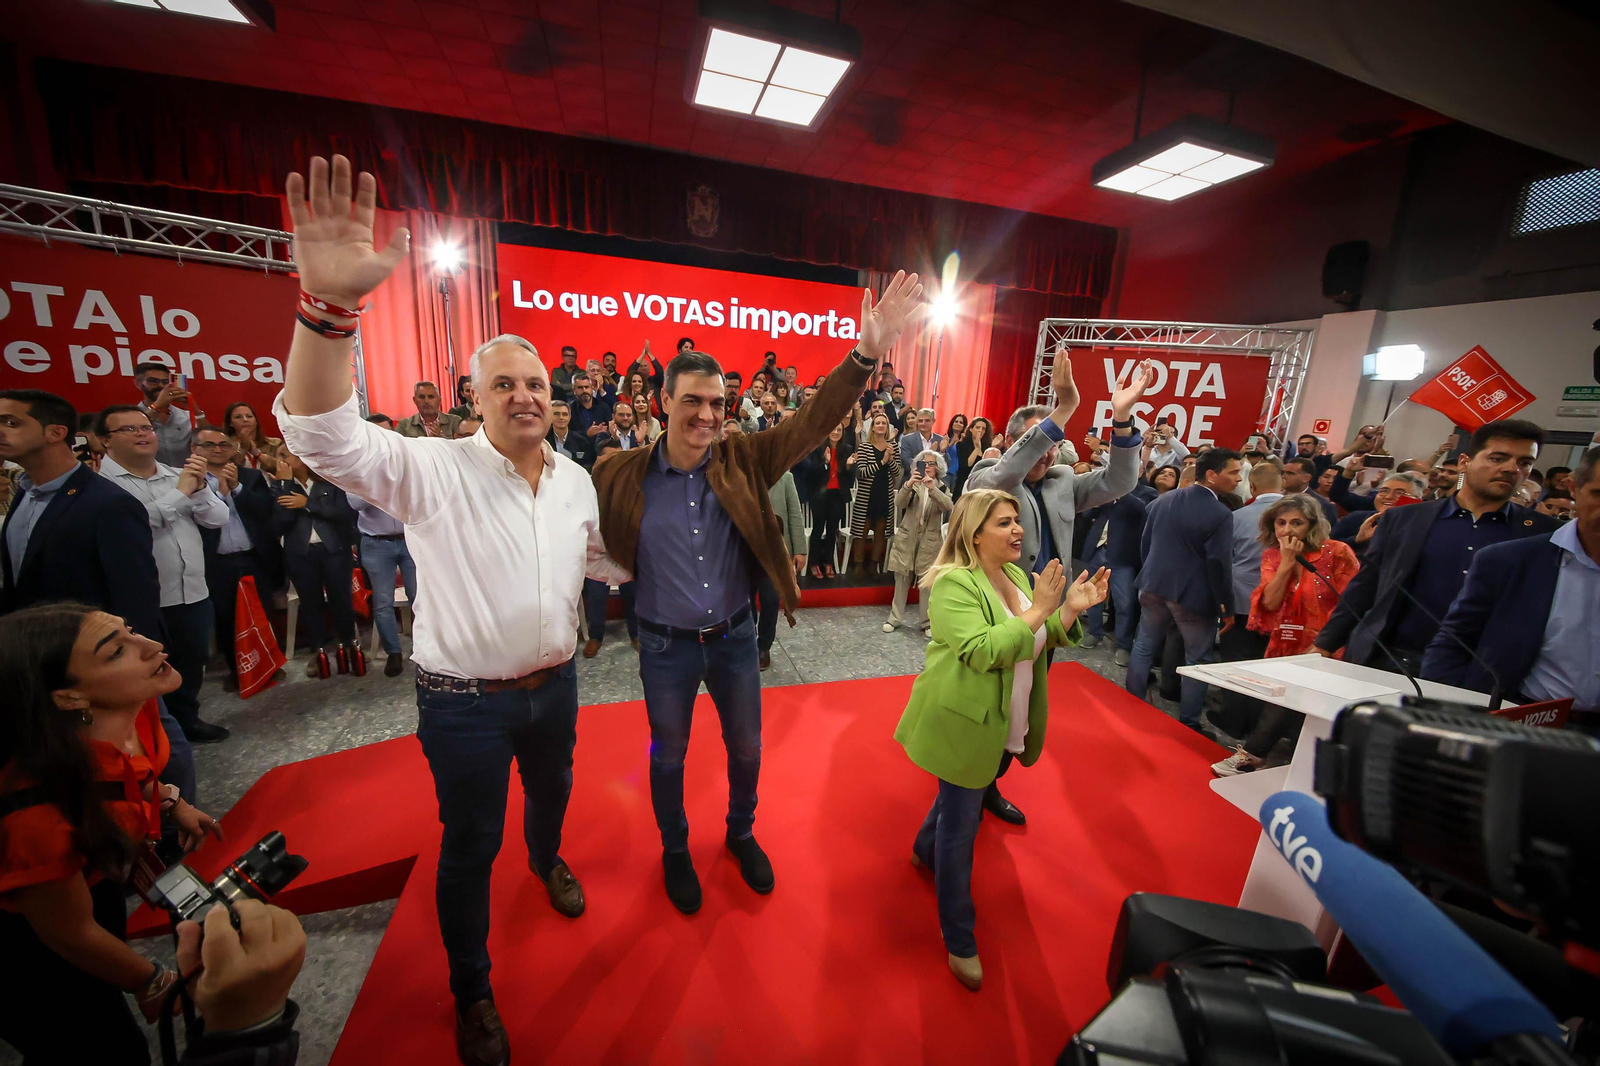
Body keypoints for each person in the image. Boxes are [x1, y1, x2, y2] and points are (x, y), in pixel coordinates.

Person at [275, 155, 632, 1065]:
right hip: (462, 704)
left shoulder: (577, 479)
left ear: (557, 400)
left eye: (537, 385)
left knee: (552, 797)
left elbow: (601, 562)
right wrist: (327, 311)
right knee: (469, 841)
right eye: (504, 383)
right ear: (474, 398)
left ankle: (547, 857)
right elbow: (321, 435)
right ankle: (471, 990)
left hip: (557, 690)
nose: (524, 395)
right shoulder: (429, 468)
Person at [589, 269, 924, 916]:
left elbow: (813, 422)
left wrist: (867, 354)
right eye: (694, 401)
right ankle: (676, 849)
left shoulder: (745, 458)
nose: (709, 415)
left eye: (718, 402)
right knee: (670, 755)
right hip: (664, 647)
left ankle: (740, 834)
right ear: (663, 401)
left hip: (736, 639)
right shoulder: (617, 473)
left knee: (747, 746)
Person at [892, 490, 1107, 991]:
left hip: (1007, 717)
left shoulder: (1012, 574)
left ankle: (923, 848)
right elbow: (984, 650)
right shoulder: (951, 584)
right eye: (1005, 522)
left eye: (1016, 521)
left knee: (962, 791)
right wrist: (1042, 610)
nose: (1018, 530)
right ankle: (959, 937)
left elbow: (1040, 634)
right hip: (967, 721)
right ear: (973, 532)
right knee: (961, 831)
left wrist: (1068, 611)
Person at [0, 603, 223, 1063]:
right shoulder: (35, 817)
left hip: (93, 888)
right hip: (30, 950)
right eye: (117, 651)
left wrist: (171, 802)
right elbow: (71, 933)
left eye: (133, 631)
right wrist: (152, 980)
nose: (153, 647)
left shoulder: (129, 713)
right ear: (68, 697)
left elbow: (128, 772)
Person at [965, 348, 1151, 815]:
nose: (1050, 452)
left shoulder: (1063, 478)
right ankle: (964, 783)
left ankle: (989, 785)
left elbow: (1123, 481)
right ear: (1012, 441)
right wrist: (1062, 410)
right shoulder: (987, 477)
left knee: (1022, 708)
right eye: (1039, 441)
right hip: (995, 613)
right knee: (987, 706)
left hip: (1048, 615)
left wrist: (1122, 417)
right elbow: (1007, 470)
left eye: (1054, 444)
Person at [1314, 419, 1558, 672]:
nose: (1511, 469)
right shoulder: (1405, 518)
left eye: (1524, 463)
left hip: (1479, 671)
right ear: (1465, 461)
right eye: (1498, 458)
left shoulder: (1541, 533)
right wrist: (1326, 643)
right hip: (1389, 658)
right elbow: (1366, 585)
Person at [1422, 446, 1598, 718]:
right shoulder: (1511, 561)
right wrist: (1445, 709)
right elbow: (1455, 642)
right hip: (1527, 716)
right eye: (1598, 495)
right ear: (1573, 489)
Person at [97, 405, 233, 744]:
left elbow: (218, 517)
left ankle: (186, 720)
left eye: (146, 427)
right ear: (104, 440)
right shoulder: (101, 485)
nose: (143, 434)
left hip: (191, 591)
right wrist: (181, 494)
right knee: (144, 670)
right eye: (129, 429)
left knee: (190, 662)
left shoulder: (176, 474)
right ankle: (153, 734)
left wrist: (199, 488)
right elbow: (133, 524)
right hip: (142, 600)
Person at [1212, 495, 1359, 776]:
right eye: (1281, 523)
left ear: (1312, 525)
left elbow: (1353, 602)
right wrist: (1287, 563)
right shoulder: (1273, 555)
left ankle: (1272, 758)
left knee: (1315, 710)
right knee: (1281, 701)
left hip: (1329, 645)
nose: (1287, 530)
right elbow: (1268, 602)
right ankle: (1259, 755)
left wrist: (1327, 643)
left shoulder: (1338, 551)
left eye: (1296, 523)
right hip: (1286, 643)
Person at [1124, 448, 1242, 731]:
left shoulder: (1163, 501)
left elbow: (1145, 544)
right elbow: (1219, 564)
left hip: (1152, 584)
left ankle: (1129, 704)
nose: (1239, 478)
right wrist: (1225, 606)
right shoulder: (1220, 513)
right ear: (1212, 475)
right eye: (1234, 472)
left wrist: (1149, 573)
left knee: (1143, 645)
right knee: (1197, 660)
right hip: (1191, 596)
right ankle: (1189, 723)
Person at [192, 425, 283, 692]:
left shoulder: (251, 476)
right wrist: (219, 492)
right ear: (194, 450)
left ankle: (269, 664)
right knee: (225, 617)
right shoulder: (190, 479)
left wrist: (237, 488)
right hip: (216, 561)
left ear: (233, 449)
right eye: (209, 445)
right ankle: (237, 669)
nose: (218, 450)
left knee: (262, 612)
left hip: (254, 557)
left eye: (224, 444)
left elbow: (265, 510)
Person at [271, 452, 360, 675]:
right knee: (311, 604)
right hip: (300, 554)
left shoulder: (329, 481)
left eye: (285, 456)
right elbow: (281, 522)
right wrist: (285, 484)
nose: (279, 460)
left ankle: (349, 646)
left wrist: (307, 503)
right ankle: (318, 652)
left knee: (341, 600)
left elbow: (344, 513)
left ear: (302, 458)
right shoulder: (279, 487)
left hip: (333, 550)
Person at [347, 416, 417, 679]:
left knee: (419, 597)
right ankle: (394, 652)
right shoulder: (357, 466)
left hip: (409, 540)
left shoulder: (408, 460)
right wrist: (376, 473)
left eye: (387, 432)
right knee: (383, 602)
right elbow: (355, 503)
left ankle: (425, 648)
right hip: (376, 543)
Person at [1078, 476, 1158, 666]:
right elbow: (1087, 514)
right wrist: (1101, 499)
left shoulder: (1146, 492)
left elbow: (1142, 511)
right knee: (1091, 596)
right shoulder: (1106, 492)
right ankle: (1094, 632)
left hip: (1123, 556)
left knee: (1125, 604)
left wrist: (1122, 491)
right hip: (1096, 551)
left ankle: (1123, 645)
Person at [884, 449, 952, 633]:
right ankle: (894, 618)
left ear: (938, 468)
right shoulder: (911, 485)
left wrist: (932, 489)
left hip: (930, 542)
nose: (927, 467)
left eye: (931, 464)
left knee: (926, 583)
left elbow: (948, 506)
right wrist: (908, 484)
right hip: (908, 538)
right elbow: (899, 503)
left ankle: (926, 622)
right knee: (901, 579)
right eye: (924, 464)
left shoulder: (943, 488)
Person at [755, 464, 806, 670]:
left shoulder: (785, 478)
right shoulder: (739, 476)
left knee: (770, 600)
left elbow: (795, 513)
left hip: (775, 552)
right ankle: (746, 644)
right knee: (744, 602)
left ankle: (763, 646)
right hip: (745, 550)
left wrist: (800, 549)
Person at [847, 411, 902, 572]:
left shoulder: (893, 447)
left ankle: (873, 564)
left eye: (883, 423)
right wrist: (882, 461)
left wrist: (890, 459)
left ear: (887, 427)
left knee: (880, 532)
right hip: (866, 496)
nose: (880, 425)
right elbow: (861, 473)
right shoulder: (864, 446)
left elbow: (897, 472)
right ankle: (858, 563)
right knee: (861, 531)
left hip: (884, 495)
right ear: (872, 427)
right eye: (877, 423)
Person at [1329, 470, 1428, 558]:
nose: (1388, 496)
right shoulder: (1355, 518)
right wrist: (1356, 540)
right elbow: (1326, 549)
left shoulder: (1425, 527)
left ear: (1417, 499)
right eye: (1383, 491)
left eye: (1399, 493)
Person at [805, 422, 854, 579]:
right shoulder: (817, 448)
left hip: (837, 495)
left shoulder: (847, 449)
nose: (836, 432)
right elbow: (811, 474)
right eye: (833, 428)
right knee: (818, 529)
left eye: (839, 429)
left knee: (833, 530)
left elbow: (850, 479)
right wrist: (826, 462)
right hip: (820, 495)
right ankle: (814, 563)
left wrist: (847, 467)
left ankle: (828, 562)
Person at [133, 361, 205, 466]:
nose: (161, 385)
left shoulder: (186, 416)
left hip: (186, 476)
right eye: (153, 381)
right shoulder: (129, 416)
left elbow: (210, 440)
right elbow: (134, 433)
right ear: (138, 384)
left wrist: (196, 411)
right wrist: (156, 406)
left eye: (166, 382)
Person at [221, 401, 286, 471]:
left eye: (249, 416)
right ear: (230, 423)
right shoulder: (225, 445)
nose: (245, 420)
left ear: (256, 421)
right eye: (238, 417)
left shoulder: (275, 443)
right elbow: (227, 468)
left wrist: (257, 454)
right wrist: (243, 449)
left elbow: (285, 468)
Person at [397, 381, 464, 439]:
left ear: (439, 400)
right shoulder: (404, 425)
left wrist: (441, 438)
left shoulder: (455, 421)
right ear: (415, 400)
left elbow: (460, 449)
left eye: (431, 397)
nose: (426, 401)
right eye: (422, 397)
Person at [1283, 456, 1338, 527]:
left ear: (1306, 478)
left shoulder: (1324, 506)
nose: (1284, 476)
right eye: (1283, 472)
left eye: (1290, 473)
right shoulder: (1274, 497)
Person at [546, 400, 595, 469]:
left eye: (565, 414)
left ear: (570, 417)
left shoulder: (582, 441)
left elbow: (588, 465)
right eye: (556, 414)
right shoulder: (542, 440)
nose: (561, 417)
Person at [897, 408, 942, 484]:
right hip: (912, 482)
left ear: (933, 421)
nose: (923, 423)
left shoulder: (940, 439)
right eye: (920, 421)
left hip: (934, 484)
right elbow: (907, 463)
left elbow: (946, 465)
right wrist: (929, 453)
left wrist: (943, 451)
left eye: (927, 420)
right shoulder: (907, 439)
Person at [569, 370, 615, 439]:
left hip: (600, 446)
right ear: (574, 390)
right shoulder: (570, 409)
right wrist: (586, 433)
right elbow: (568, 433)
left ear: (592, 388)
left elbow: (610, 430)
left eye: (587, 387)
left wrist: (603, 432)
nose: (584, 391)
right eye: (580, 388)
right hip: (578, 447)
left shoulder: (603, 407)